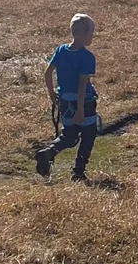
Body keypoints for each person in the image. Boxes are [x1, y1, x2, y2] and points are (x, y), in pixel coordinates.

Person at [35, 13, 100, 181]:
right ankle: (78, 172)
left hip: (64, 100)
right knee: (88, 135)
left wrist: (52, 94)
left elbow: (48, 73)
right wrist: (80, 110)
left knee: (69, 136)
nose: (92, 36)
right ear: (83, 33)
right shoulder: (87, 57)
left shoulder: (61, 50)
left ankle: (48, 153)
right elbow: (82, 86)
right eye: (91, 33)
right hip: (83, 103)